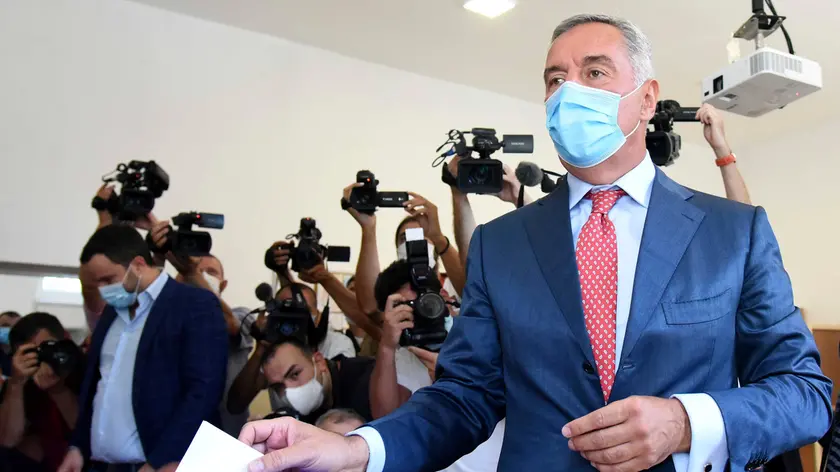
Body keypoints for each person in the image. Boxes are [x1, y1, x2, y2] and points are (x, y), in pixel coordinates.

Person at [239, 14, 831, 472]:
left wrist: (685, 421)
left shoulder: (733, 232)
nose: (568, 92)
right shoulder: (503, 245)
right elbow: (464, 398)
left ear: (647, 100)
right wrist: (357, 450)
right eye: (555, 79)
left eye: (594, 72)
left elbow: (804, 394)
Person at [59, 224, 228, 472]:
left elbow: (203, 391)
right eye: (96, 285)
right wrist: (78, 447)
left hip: (166, 464)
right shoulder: (110, 316)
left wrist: (160, 460)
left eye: (108, 280)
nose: (104, 290)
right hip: (106, 465)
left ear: (138, 264)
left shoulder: (193, 305)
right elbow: (97, 386)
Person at [371, 260, 504, 472]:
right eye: (409, 308)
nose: (423, 313)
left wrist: (453, 376)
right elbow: (384, 415)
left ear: (444, 295)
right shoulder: (402, 356)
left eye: (427, 302)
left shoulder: (484, 338)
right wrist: (387, 345)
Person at [148, 221, 258, 437]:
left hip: (227, 435)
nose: (201, 274)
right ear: (177, 277)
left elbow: (228, 325)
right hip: (171, 434)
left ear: (223, 284)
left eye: (210, 272)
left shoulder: (242, 315)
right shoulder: (166, 318)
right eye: (198, 270)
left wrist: (193, 273)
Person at [226, 283, 357, 417]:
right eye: (285, 311)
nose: (293, 318)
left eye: (302, 310)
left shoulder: (338, 343)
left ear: (319, 316)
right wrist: (260, 350)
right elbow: (236, 405)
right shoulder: (272, 351)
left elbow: (343, 390)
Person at [0, 313, 84, 472]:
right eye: (31, 352)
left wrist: (58, 390)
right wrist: (16, 384)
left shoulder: (81, 368)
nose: (42, 355)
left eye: (48, 347)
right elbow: (7, 440)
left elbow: (85, 433)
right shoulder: (20, 379)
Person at [261, 338, 374, 424]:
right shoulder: (299, 419)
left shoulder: (369, 380)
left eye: (295, 374)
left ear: (319, 362)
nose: (289, 390)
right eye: (279, 387)